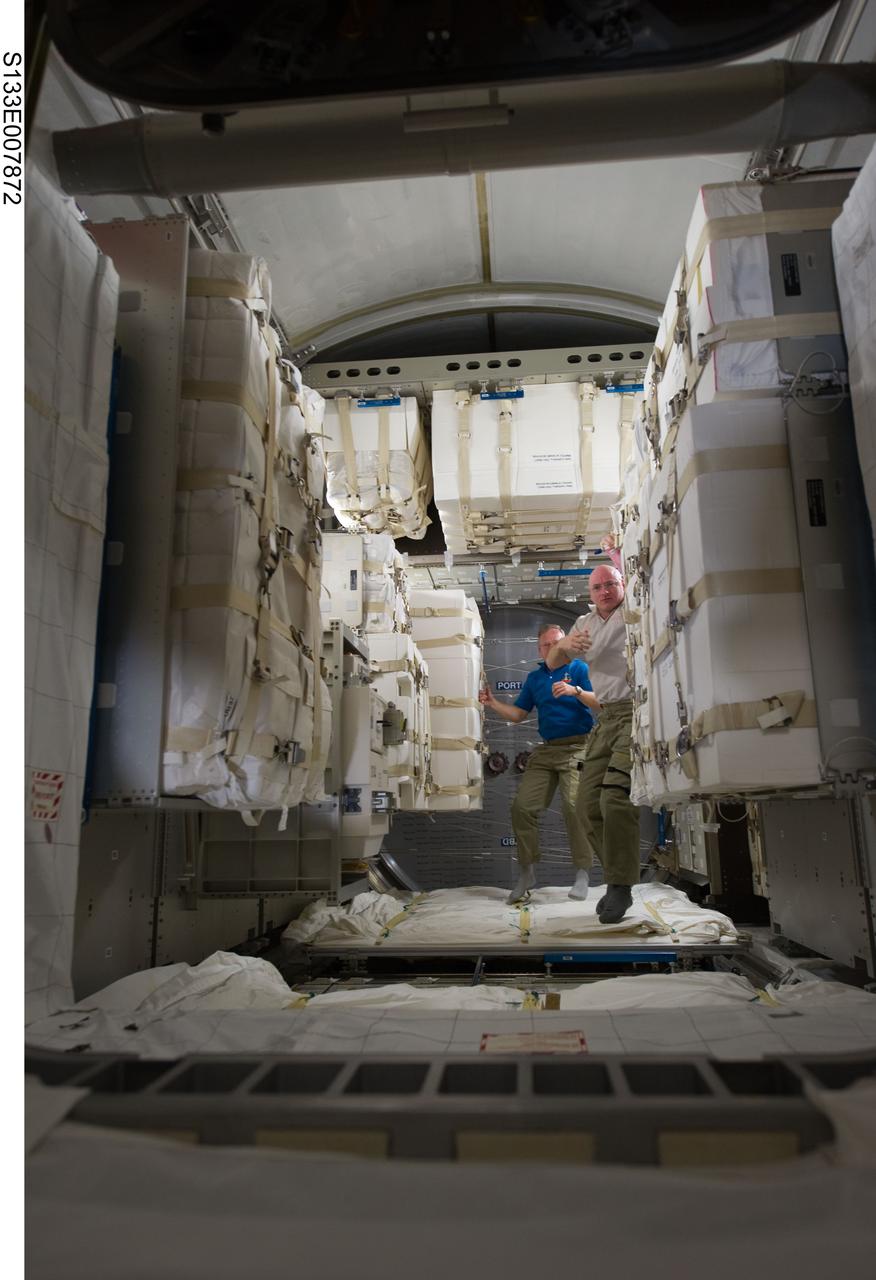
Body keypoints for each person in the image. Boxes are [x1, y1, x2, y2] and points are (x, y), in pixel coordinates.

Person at [545, 534, 640, 924]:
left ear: (622, 584)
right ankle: (618, 877)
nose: (604, 591)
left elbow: (642, 576)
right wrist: (565, 644)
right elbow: (553, 661)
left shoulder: (635, 608)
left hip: (636, 714)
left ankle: (620, 886)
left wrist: (619, 551)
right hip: (607, 718)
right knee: (586, 807)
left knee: (614, 800)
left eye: (610, 584)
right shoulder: (583, 623)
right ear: (590, 592)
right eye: (597, 587)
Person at [480, 623, 600, 904]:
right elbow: (518, 714)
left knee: (574, 807)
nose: (553, 648)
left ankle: (582, 872)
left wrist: (575, 691)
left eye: (558, 642)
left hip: (578, 747)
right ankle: (527, 872)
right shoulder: (535, 679)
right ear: (540, 650)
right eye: (548, 644)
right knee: (522, 807)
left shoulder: (579, 669)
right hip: (547, 751)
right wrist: (493, 703)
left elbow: (601, 702)